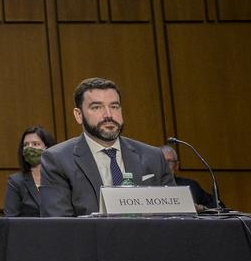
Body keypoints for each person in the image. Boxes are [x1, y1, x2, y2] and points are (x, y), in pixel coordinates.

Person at [40, 77, 174, 217]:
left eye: (114, 107)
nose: (108, 115)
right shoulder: (57, 160)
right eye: (97, 107)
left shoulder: (153, 156)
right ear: (78, 115)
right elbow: (59, 225)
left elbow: (175, 217)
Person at [3, 127, 54, 217]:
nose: (29, 148)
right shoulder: (16, 181)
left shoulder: (60, 177)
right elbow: (10, 218)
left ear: (47, 148)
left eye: (35, 144)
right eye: (26, 145)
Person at [161, 144, 219, 212]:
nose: (165, 166)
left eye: (169, 162)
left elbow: (216, 206)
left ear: (176, 166)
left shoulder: (191, 186)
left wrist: (202, 208)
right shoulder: (146, 185)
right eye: (161, 162)